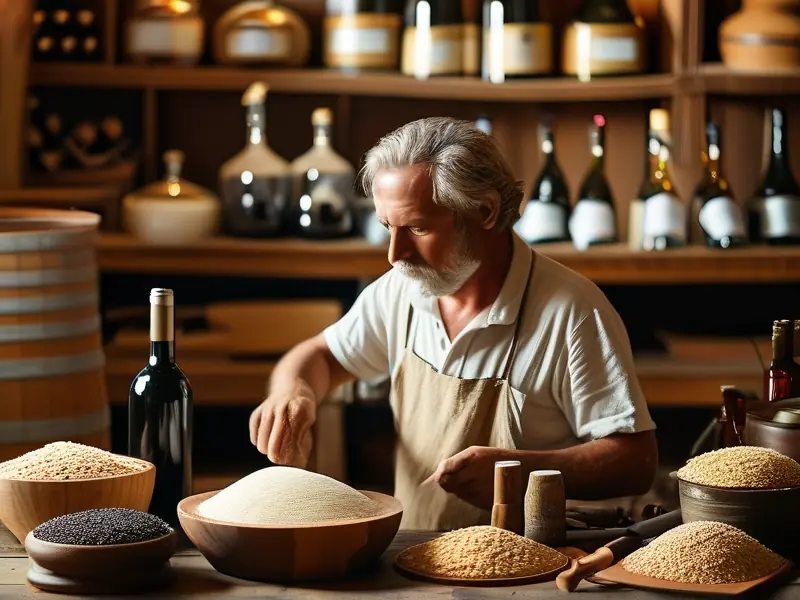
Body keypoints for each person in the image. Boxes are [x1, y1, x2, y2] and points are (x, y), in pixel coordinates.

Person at [250, 117, 658, 531]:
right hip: (412, 556)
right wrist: (293, 392)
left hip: (531, 569)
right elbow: (319, 356)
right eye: (387, 226)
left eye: (417, 228)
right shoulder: (401, 290)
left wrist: (517, 473)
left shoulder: (573, 312)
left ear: (484, 211)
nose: (395, 253)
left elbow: (635, 462)